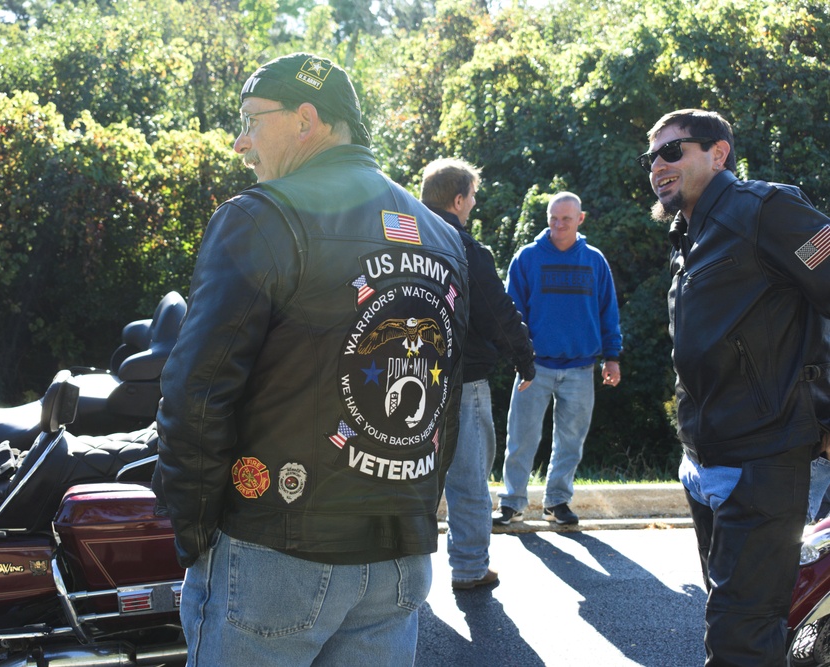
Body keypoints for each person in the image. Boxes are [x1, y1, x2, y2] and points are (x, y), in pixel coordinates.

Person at [153, 53, 470, 666]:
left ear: (306, 119)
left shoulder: (261, 216)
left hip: (276, 550)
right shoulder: (440, 234)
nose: (241, 143)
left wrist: (193, 532)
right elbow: (441, 400)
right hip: (398, 560)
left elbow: (197, 390)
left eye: (250, 120)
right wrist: (416, 514)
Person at [640, 108, 830, 666]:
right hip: (707, 464)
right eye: (651, 156)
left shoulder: (767, 211)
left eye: (672, 151)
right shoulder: (689, 232)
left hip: (764, 459)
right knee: (743, 622)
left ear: (718, 152)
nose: (657, 165)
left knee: (740, 642)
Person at [420, 157, 535, 590]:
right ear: (457, 198)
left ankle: (405, 579)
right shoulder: (466, 249)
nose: (473, 206)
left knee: (411, 482)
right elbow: (496, 312)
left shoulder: (399, 241)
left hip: (401, 380)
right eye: (472, 198)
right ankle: (469, 569)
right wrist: (524, 358)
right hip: (462, 381)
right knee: (468, 480)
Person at [494, 192, 623, 527]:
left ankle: (557, 502)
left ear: (580, 219)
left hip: (581, 367)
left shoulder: (595, 260)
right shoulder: (527, 258)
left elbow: (609, 312)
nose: (558, 224)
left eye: (566, 218)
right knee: (521, 438)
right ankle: (511, 503)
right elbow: (511, 313)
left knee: (570, 442)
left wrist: (613, 358)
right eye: (553, 217)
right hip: (534, 367)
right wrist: (519, 359)